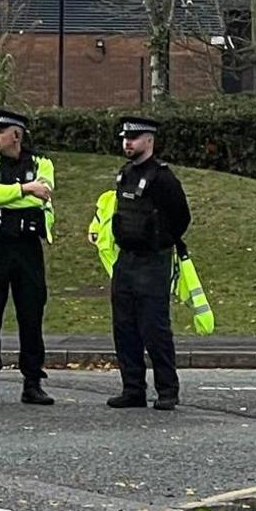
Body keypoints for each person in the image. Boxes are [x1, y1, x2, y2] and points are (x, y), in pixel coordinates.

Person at [0, 108, 56, 407]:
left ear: (16, 135)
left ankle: (32, 383)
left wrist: (21, 193)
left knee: (31, 316)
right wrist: (24, 189)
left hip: (28, 248)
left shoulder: (42, 163)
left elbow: (43, 194)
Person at [103, 115, 190, 411]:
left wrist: (160, 240)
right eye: (125, 138)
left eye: (134, 138)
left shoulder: (163, 178)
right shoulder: (125, 173)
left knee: (154, 328)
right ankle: (133, 389)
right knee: (124, 327)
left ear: (149, 140)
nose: (128, 142)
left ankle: (167, 390)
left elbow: (181, 216)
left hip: (153, 261)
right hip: (126, 260)